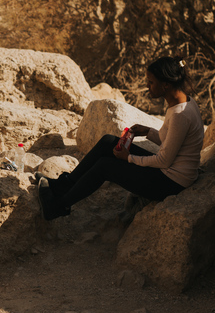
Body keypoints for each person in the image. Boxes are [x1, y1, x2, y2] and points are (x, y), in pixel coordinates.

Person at [37, 56, 204, 220]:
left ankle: (58, 207)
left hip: (171, 182)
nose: (147, 86)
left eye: (151, 82)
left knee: (105, 167)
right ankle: (63, 186)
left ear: (166, 84)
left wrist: (129, 158)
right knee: (109, 141)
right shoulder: (183, 102)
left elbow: (164, 161)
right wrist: (147, 132)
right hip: (168, 170)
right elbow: (171, 141)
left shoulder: (180, 115)